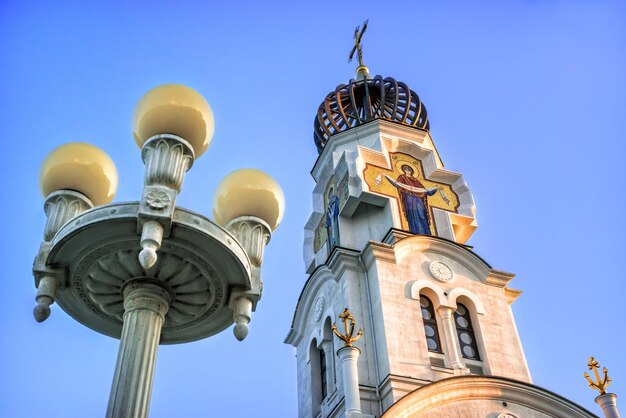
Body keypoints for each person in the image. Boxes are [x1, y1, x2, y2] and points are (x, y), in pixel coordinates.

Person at [384, 165, 440, 235]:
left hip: (419, 201)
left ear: (412, 171)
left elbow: (425, 191)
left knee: (422, 215)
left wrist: (435, 188)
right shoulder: (402, 177)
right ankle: (414, 232)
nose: (408, 171)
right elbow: (397, 184)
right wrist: (386, 176)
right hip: (409, 199)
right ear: (404, 170)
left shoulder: (415, 180)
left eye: (409, 169)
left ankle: (426, 233)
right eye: (406, 169)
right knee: (413, 215)